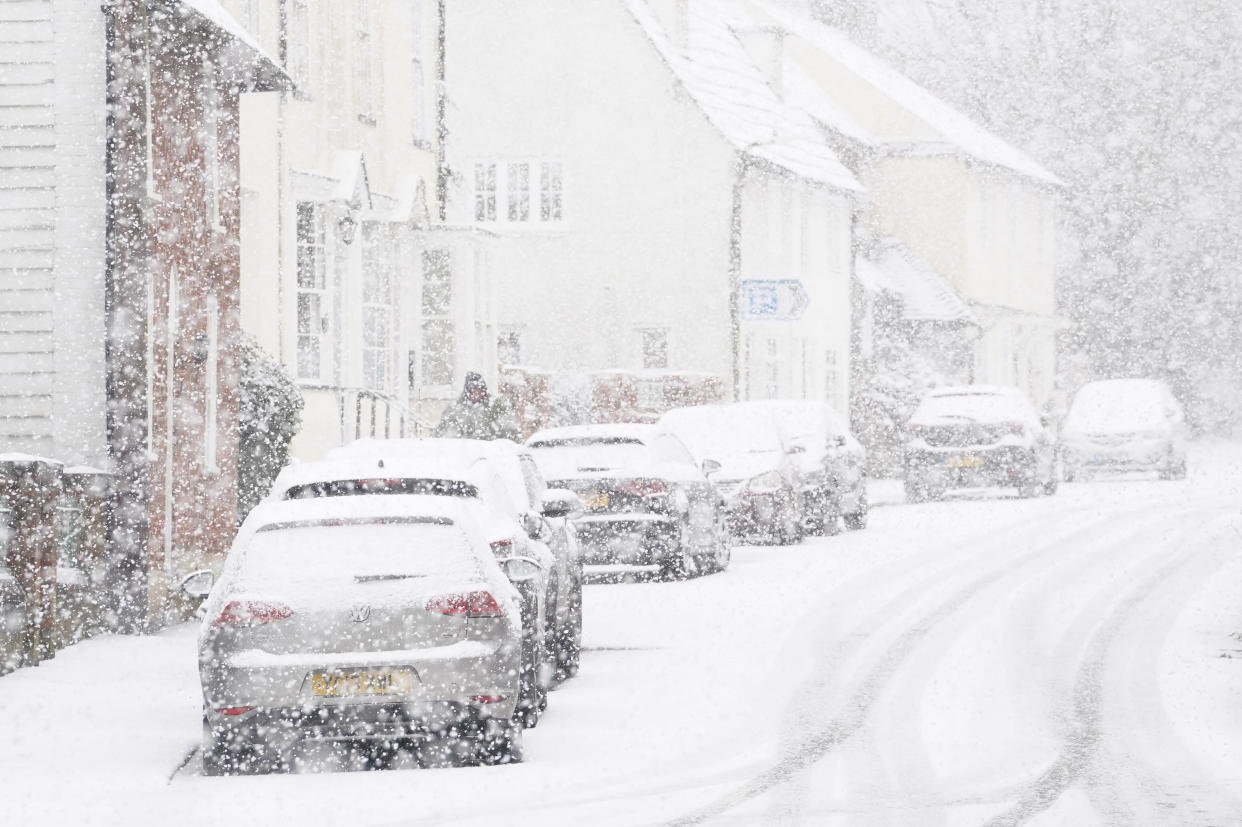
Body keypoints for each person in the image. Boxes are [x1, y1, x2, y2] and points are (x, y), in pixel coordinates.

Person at [433, 372, 520, 440]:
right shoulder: (455, 409)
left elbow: (508, 427)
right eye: (473, 391)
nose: (477, 394)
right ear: (467, 392)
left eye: (480, 391)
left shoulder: (494, 405)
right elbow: (444, 432)